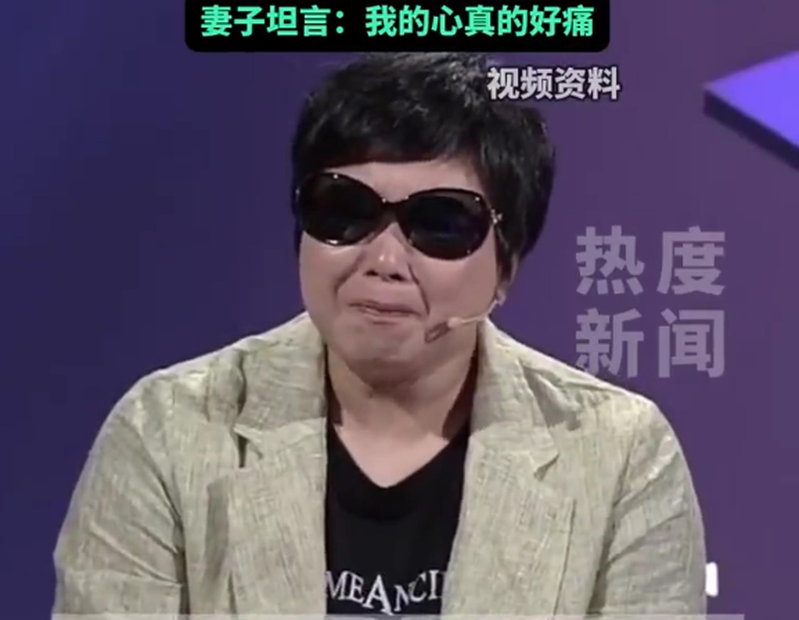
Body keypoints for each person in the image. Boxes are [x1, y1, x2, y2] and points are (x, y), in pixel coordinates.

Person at [53, 52, 706, 617]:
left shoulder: (619, 455)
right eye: (345, 211)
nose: (385, 259)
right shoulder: (167, 431)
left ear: (506, 266)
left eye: (440, 223)